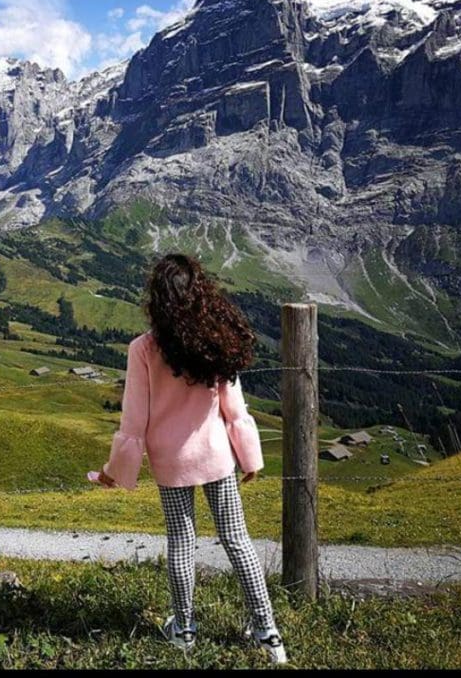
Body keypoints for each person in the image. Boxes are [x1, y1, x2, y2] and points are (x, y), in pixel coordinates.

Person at [91, 254, 286, 663]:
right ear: (199, 293)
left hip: (171, 461)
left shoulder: (143, 349)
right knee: (237, 539)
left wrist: (114, 472)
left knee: (181, 542)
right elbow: (235, 407)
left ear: (157, 298)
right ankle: (267, 632)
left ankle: (184, 629)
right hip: (217, 456)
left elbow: (133, 421)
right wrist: (249, 456)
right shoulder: (214, 340)